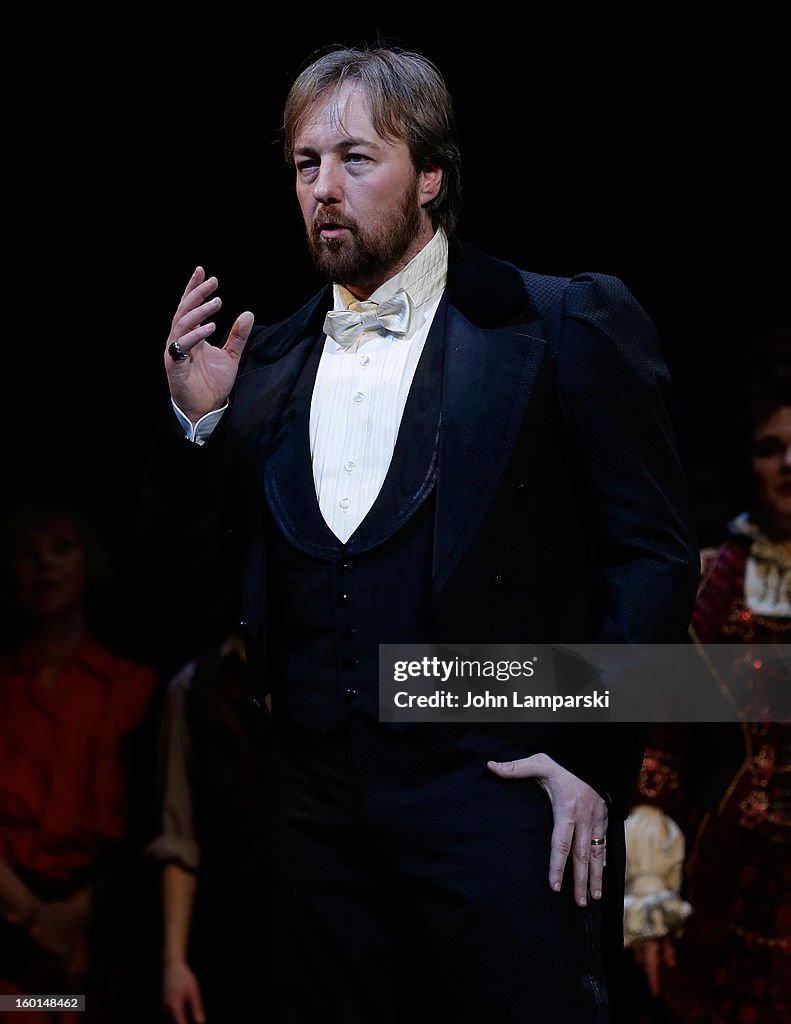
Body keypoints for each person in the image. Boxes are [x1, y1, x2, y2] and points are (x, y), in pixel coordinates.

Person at [138, 42, 700, 1024]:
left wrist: (585, 754)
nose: (323, 187)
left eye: (356, 159)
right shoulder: (262, 363)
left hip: (492, 792)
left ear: (430, 176)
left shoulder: (557, 321)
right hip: (314, 818)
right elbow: (184, 588)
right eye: (306, 164)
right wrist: (200, 431)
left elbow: (651, 553)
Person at [623, 329, 791, 1023]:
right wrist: (651, 899)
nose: (790, 463)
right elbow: (661, 763)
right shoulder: (710, 590)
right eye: (769, 447)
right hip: (727, 913)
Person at [0, 500, 157, 1023]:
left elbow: (153, 823)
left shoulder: (136, 689)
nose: (44, 564)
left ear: (89, 563)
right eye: (28, 553)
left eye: (60, 549)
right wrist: (28, 912)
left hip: (106, 926)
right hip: (11, 923)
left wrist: (80, 914)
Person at [147, 631, 275, 1024]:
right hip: (239, 937)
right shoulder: (196, 684)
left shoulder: (363, 661)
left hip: (344, 935)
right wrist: (174, 962)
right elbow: (179, 831)